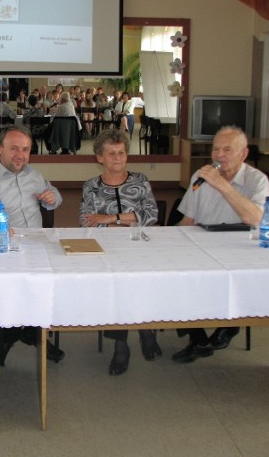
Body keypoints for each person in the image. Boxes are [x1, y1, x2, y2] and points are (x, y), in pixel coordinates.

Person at [172, 126, 269, 363]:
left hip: (241, 250)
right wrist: (166, 244)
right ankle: (199, 338)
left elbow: (255, 219)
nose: (219, 155)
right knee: (174, 276)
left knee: (239, 279)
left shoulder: (257, 180)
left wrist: (222, 185)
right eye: (216, 149)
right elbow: (188, 219)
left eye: (228, 150)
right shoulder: (200, 176)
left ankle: (232, 324)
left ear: (243, 154)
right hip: (201, 245)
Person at [0, 126, 65, 366]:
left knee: (42, 287)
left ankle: (27, 332)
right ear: (0, 149)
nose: (20, 155)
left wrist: (52, 197)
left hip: (36, 244)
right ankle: (12, 335)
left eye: (25, 149)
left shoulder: (34, 175)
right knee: (9, 290)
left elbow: (54, 194)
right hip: (1, 248)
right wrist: (0, 226)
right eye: (13, 149)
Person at [79, 129, 162, 375]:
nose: (117, 158)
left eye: (122, 153)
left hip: (140, 247)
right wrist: (126, 220)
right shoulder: (91, 187)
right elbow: (86, 222)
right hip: (106, 249)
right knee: (115, 284)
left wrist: (110, 217)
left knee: (141, 279)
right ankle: (122, 343)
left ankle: (145, 329)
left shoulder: (140, 181)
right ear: (99, 158)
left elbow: (151, 216)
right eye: (111, 154)